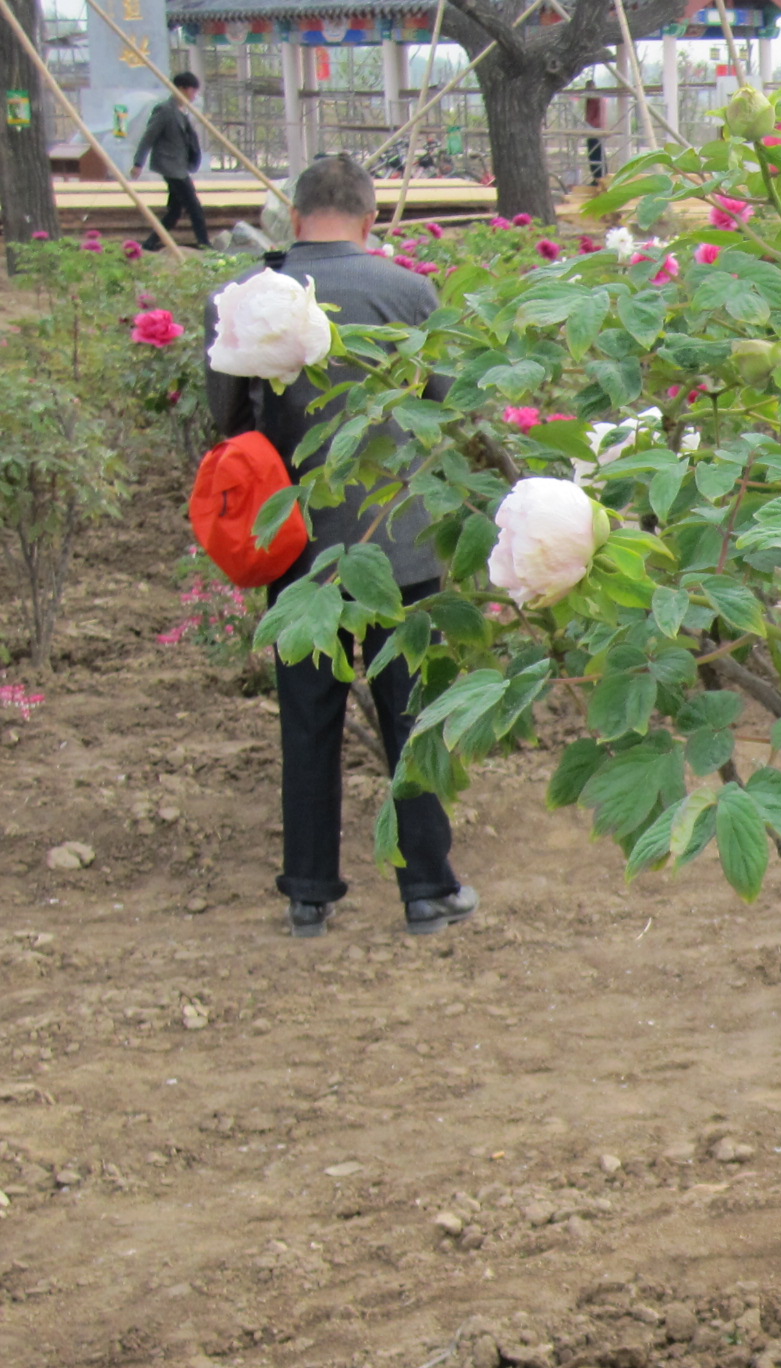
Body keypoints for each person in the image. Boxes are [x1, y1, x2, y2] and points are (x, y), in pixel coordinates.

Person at [204, 154, 478, 940]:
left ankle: (310, 895)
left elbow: (223, 417)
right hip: (402, 549)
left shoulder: (251, 296)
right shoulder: (407, 291)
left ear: (294, 218)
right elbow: (448, 409)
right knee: (411, 721)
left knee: (308, 722)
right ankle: (428, 890)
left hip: (295, 550)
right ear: (368, 219)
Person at [133, 72, 208, 249]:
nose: (194, 95)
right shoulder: (165, 110)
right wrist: (138, 162)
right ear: (181, 89)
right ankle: (204, 244)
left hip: (180, 166)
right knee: (194, 207)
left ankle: (150, 243)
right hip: (171, 166)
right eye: (191, 91)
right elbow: (148, 137)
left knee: (174, 211)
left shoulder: (182, 111)